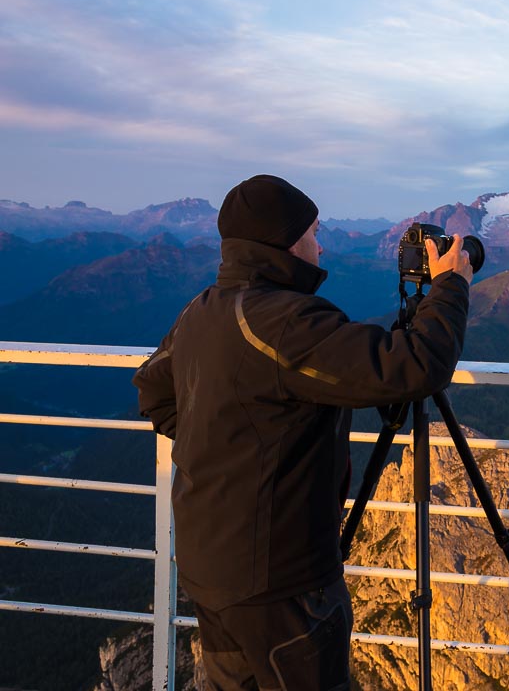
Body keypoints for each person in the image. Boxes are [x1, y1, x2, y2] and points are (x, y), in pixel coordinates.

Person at [133, 174, 472, 690]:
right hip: (282, 581)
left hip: (210, 565)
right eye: (314, 232)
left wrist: (233, 446)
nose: (322, 244)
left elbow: (154, 393)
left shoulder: (201, 311)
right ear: (286, 241)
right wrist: (450, 285)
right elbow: (415, 366)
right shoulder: (285, 321)